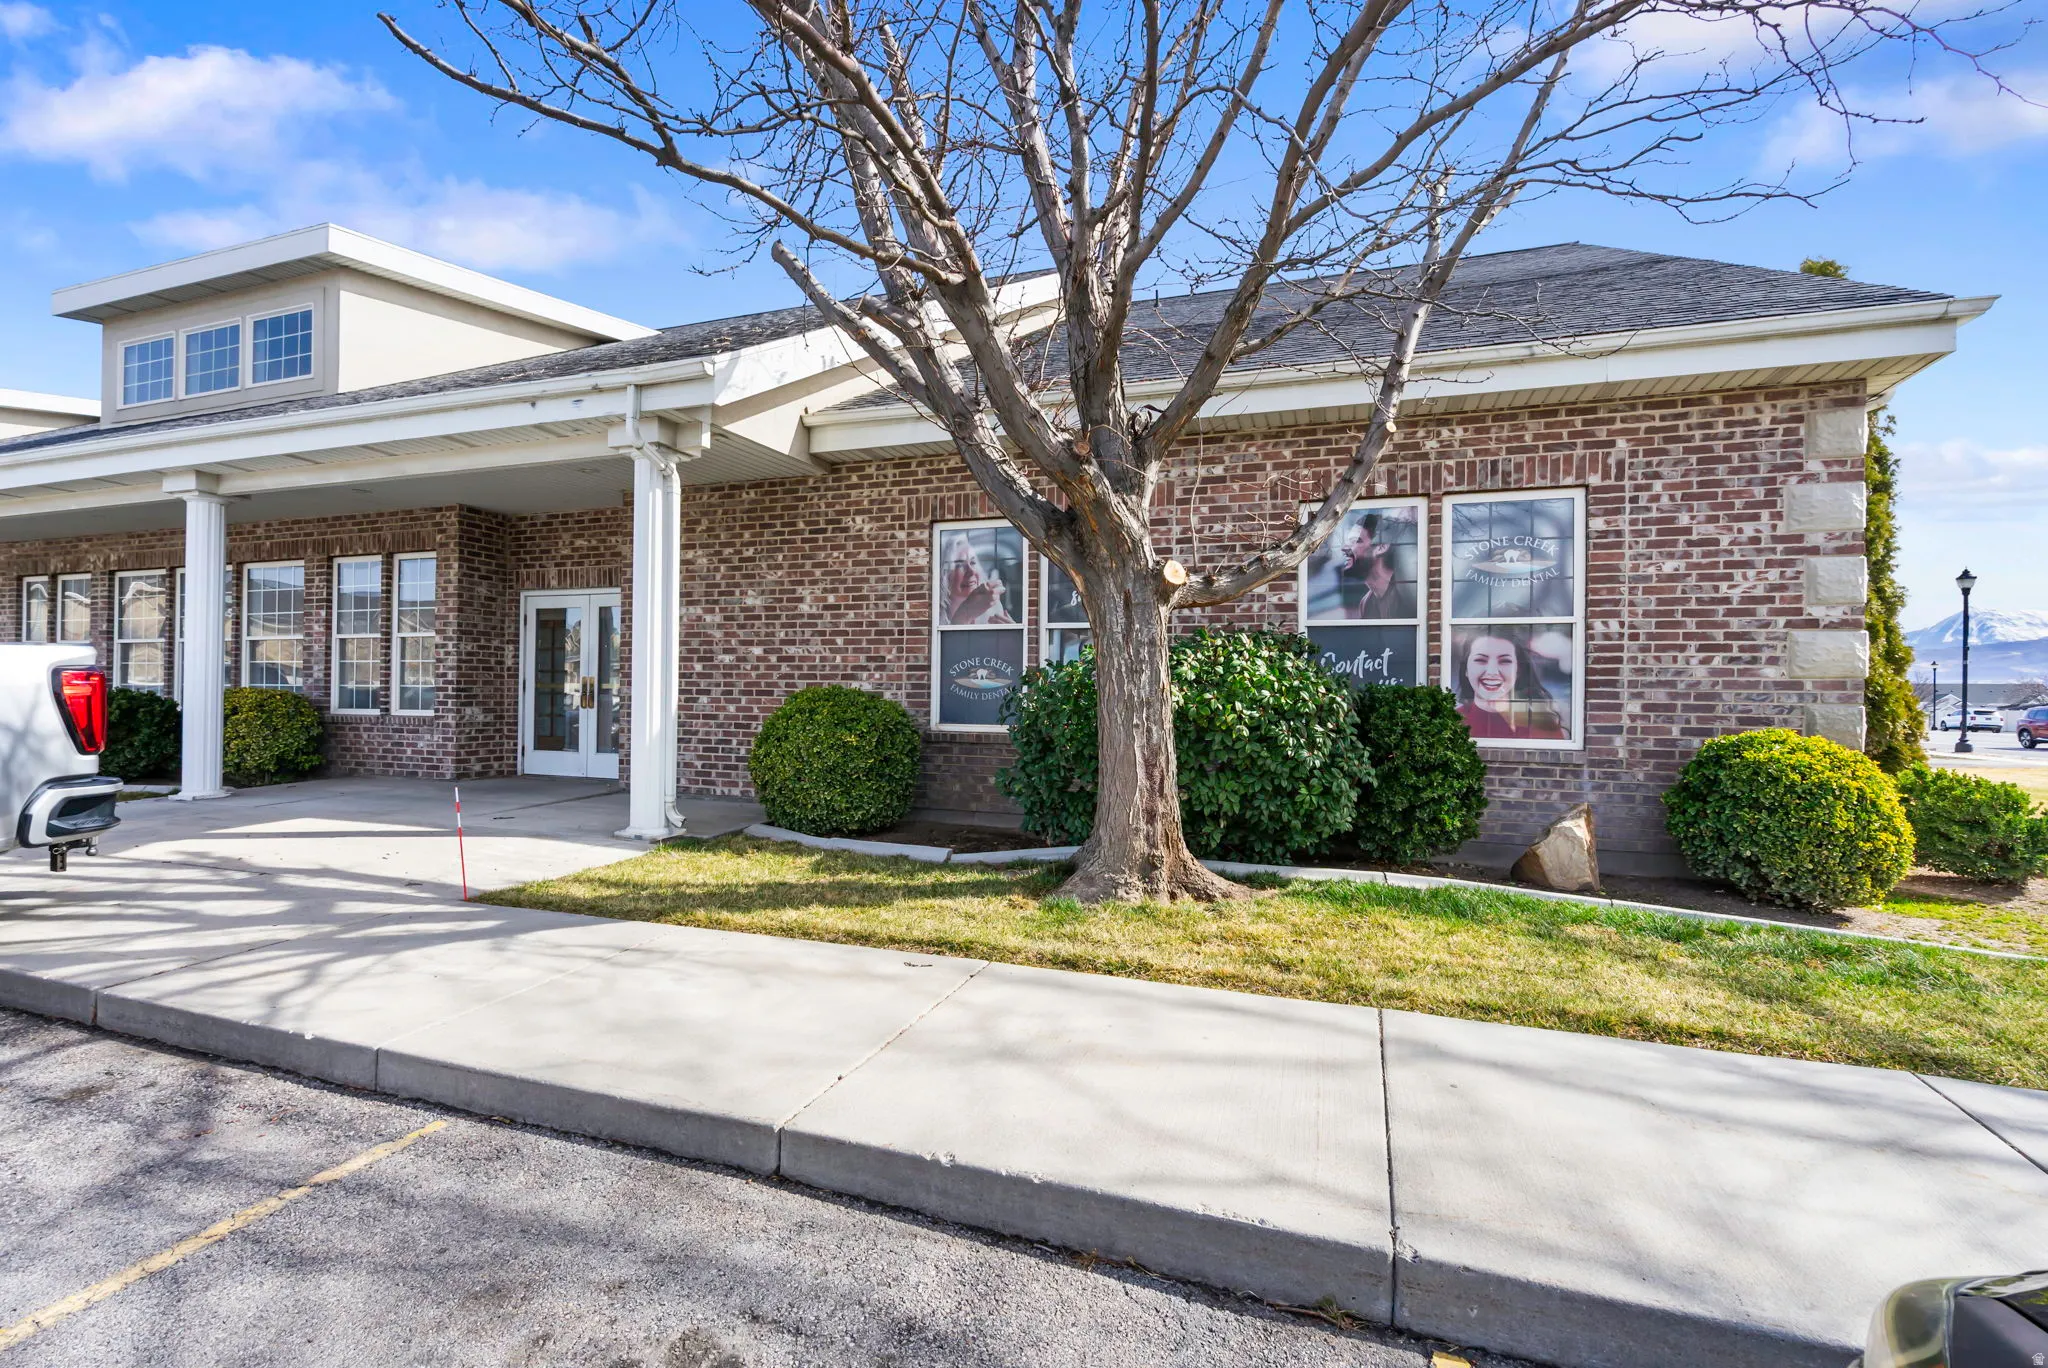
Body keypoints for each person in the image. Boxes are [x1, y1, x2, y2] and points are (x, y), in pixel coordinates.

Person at [1454, 631, 1567, 741]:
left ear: (1518, 671)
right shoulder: (1452, 723)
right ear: (1466, 670)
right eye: (1480, 660)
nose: (1492, 672)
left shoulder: (1543, 725)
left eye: (1505, 661)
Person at [1333, 513, 1416, 620]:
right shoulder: (1366, 604)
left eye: (1356, 541)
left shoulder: (1409, 594)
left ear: (1381, 547)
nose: (1344, 548)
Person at [941, 533, 1017, 624]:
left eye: (973, 562)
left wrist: (1014, 634)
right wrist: (965, 614)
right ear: (944, 575)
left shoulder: (992, 610)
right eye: (959, 565)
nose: (971, 572)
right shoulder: (934, 619)